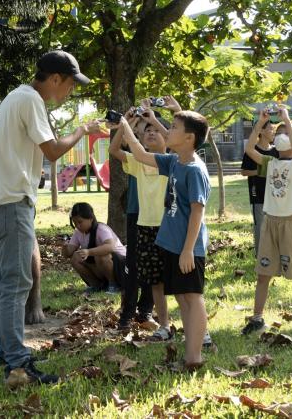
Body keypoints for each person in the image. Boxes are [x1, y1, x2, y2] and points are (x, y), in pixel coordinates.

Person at [0, 50, 101, 385]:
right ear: (55, 79)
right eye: (70, 85)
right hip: (12, 203)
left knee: (3, 283)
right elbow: (52, 151)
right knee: (16, 284)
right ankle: (17, 363)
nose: (70, 92)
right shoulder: (31, 100)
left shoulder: (15, 97)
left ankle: (6, 354)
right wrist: (83, 130)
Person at [113, 110, 211, 370]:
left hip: (187, 247)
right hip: (172, 244)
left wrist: (188, 250)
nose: (168, 131)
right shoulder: (175, 161)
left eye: (174, 128)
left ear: (189, 138)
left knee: (192, 297)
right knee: (183, 297)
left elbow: (197, 211)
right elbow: (141, 155)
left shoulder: (194, 170)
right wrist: (125, 125)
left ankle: (194, 357)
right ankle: (190, 354)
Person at [241, 107, 292, 337]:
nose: (281, 135)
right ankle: (257, 318)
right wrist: (260, 122)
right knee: (263, 274)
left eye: (286, 134)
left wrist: (287, 120)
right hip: (270, 223)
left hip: (291, 223)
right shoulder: (270, 163)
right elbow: (249, 149)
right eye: (278, 132)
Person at [109, 109, 170, 332]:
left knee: (163, 277)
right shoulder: (138, 160)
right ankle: (128, 316)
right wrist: (124, 122)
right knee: (137, 268)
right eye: (147, 130)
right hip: (142, 221)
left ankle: (150, 314)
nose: (151, 132)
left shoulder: (172, 161)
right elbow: (114, 149)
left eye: (156, 130)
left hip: (167, 225)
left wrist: (153, 119)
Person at [62, 202, 127, 294]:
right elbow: (68, 254)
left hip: (121, 266)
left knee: (100, 255)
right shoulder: (78, 232)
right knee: (75, 257)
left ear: (91, 219)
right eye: (74, 222)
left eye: (80, 222)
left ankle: (113, 284)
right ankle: (96, 285)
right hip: (101, 265)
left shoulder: (101, 229)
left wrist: (89, 252)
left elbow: (110, 247)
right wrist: (65, 247)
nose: (77, 225)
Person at [240, 118, 278, 255]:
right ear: (261, 131)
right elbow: (244, 171)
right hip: (257, 195)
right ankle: (261, 256)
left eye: (274, 129)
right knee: (260, 227)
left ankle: (273, 254)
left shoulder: (276, 151)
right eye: (270, 129)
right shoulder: (252, 150)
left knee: (274, 226)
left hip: (275, 196)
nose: (273, 131)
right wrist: (260, 171)